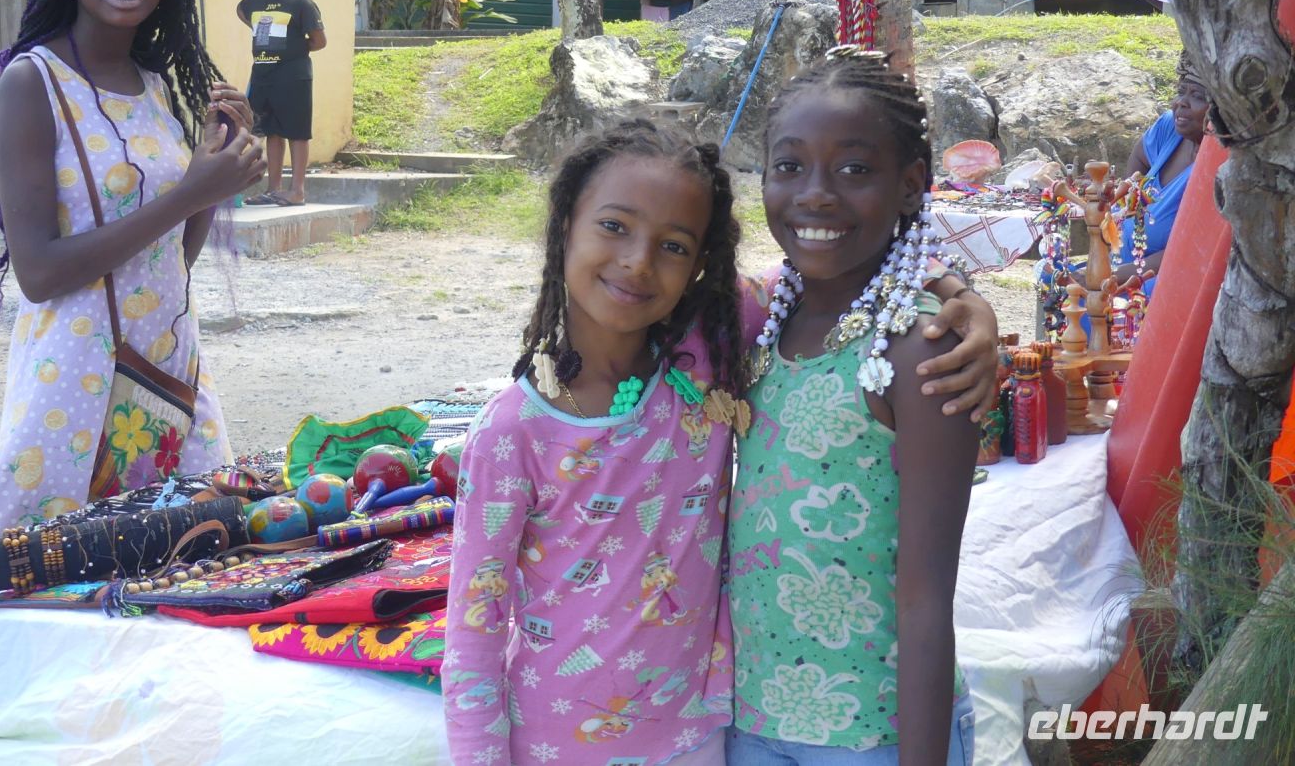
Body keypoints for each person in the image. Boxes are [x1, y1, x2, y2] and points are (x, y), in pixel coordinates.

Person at [444, 118, 998, 765]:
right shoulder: (512, 432)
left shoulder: (705, 354)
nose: (638, 262)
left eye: (674, 245)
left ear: (700, 265)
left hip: (699, 737)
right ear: (566, 224)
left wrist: (960, 294)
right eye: (614, 226)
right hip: (556, 745)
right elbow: (473, 636)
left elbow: (833, 259)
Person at [0, 0, 266, 537]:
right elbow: (38, 272)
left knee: (195, 554)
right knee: (53, 567)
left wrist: (214, 170)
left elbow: (171, 259)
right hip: (76, 382)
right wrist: (190, 193)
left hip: (166, 371)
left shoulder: (154, 87)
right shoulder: (32, 82)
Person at [728, 54, 980, 765]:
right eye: (789, 166)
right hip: (754, 719)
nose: (815, 195)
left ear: (911, 185)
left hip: (876, 734)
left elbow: (927, 598)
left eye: (854, 170)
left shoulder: (921, 349)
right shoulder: (767, 320)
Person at [236, 0, 326, 206]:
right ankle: (273, 189)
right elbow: (241, 10)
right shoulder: (257, 0)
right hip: (263, 75)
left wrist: (292, 46)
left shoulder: (302, 4)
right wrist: (261, 30)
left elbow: (319, 41)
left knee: (296, 132)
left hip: (293, 77)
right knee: (272, 131)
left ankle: (297, 191)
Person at [1112, 68, 1210, 290]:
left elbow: (1191, 251)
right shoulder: (1170, 127)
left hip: (1163, 280)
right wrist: (1126, 207)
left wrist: (1113, 276)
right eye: (1181, 92)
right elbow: (1140, 156)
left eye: (1197, 96)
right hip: (1121, 265)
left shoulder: (1217, 163)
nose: (1181, 103)